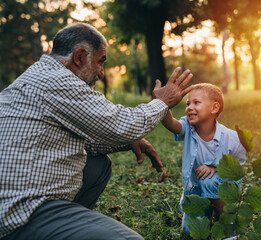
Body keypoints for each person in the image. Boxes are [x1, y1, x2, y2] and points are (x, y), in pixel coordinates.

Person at [0, 22, 193, 240]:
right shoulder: (60, 81)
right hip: (22, 213)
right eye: (100, 61)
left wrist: (127, 142)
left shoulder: (33, 77)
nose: (101, 73)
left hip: (11, 203)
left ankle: (69, 226)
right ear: (80, 56)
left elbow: (60, 139)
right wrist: (162, 102)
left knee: (97, 164)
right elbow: (121, 125)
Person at [161, 83, 246, 234]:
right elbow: (170, 124)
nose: (189, 107)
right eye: (188, 103)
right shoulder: (187, 127)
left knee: (210, 180)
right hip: (196, 190)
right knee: (190, 231)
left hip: (222, 187)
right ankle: (207, 213)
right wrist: (162, 103)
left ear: (214, 108)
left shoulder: (231, 138)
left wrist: (217, 167)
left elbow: (238, 167)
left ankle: (227, 223)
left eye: (196, 102)